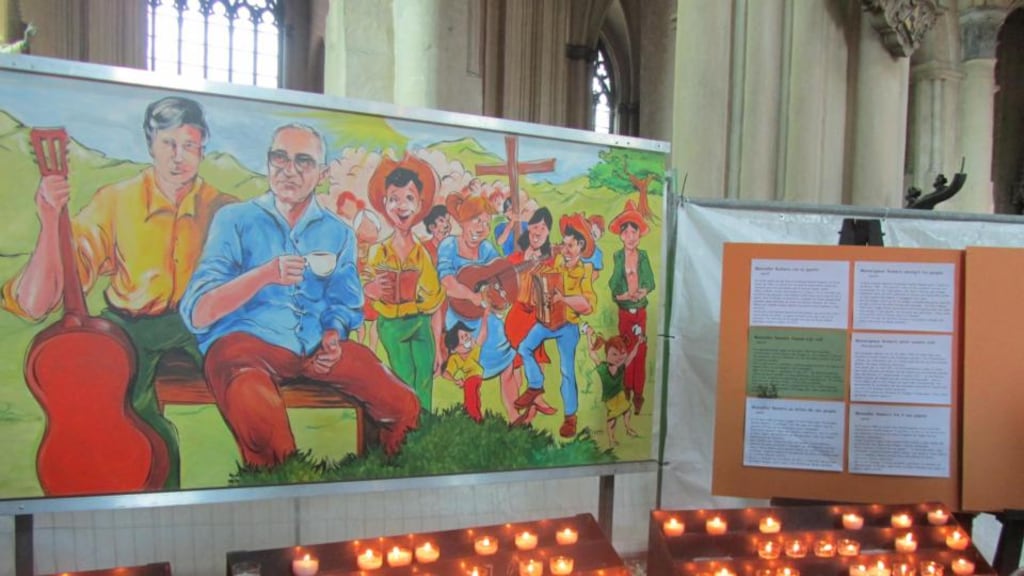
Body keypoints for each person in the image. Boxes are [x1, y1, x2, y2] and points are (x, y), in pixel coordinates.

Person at [0, 96, 234, 489]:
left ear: (203, 147)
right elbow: (37, 301)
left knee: (239, 373)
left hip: (200, 320)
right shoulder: (115, 200)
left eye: (190, 146)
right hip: (131, 323)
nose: (179, 157)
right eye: (168, 145)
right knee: (130, 413)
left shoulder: (224, 207)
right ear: (150, 145)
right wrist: (48, 218)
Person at [179, 124, 420, 466]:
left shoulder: (337, 232)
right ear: (268, 163)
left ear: (321, 174)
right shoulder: (235, 220)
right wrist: (264, 275)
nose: (289, 170)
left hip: (314, 348)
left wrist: (334, 335)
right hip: (243, 349)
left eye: (303, 161)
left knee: (403, 406)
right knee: (260, 421)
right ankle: (285, 499)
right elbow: (198, 313)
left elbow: (346, 301)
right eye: (280, 158)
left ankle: (379, 485)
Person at [363, 155, 445, 411]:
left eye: (409, 198)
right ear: (384, 204)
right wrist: (371, 289)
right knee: (404, 379)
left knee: (424, 380)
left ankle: (425, 437)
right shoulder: (378, 251)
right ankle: (406, 434)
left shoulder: (422, 255)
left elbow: (434, 304)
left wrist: (439, 347)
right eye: (394, 199)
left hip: (419, 323)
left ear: (419, 205)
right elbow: (363, 284)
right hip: (391, 325)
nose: (402, 206)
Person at [437, 193, 519, 420]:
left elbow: (498, 274)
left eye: (485, 222)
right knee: (469, 371)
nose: (481, 227)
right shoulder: (449, 245)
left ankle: (514, 416)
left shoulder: (487, 249)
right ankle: (473, 417)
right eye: (476, 220)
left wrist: (497, 297)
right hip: (459, 319)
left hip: (486, 315)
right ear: (462, 222)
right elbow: (448, 283)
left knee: (509, 361)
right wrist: (472, 297)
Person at [515, 213, 597, 438]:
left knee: (566, 371)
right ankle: (535, 384)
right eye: (565, 244)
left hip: (568, 326)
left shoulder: (585, 271)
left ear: (580, 246)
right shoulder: (559, 261)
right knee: (524, 347)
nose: (566, 249)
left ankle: (570, 416)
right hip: (548, 320)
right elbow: (546, 277)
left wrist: (564, 299)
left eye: (570, 245)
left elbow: (588, 305)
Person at [608, 199, 655, 415]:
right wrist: (623, 294)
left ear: (639, 235)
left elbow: (650, 281)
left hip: (641, 311)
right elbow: (614, 283)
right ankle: (626, 389)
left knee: (641, 350)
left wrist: (642, 291)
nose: (630, 237)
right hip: (625, 311)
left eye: (634, 232)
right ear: (620, 235)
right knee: (626, 350)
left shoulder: (643, 256)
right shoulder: (618, 256)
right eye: (626, 233)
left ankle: (639, 393)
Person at [583, 323, 642, 447]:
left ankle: (628, 428)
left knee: (626, 410)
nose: (618, 358)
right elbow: (592, 354)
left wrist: (638, 342)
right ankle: (611, 439)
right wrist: (588, 337)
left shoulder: (621, 367)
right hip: (610, 398)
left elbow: (631, 356)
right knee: (612, 418)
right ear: (607, 354)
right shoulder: (603, 368)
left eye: (621, 354)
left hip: (619, 394)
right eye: (614, 354)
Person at [440, 310, 490, 422]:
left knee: (473, 398)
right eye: (463, 338)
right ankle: (473, 417)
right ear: (454, 348)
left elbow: (482, 336)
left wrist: (485, 318)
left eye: (467, 335)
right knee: (471, 399)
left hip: (476, 377)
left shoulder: (473, 351)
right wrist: (455, 380)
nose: (467, 338)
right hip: (469, 380)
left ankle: (475, 418)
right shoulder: (455, 358)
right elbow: (446, 373)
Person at [583, 215, 605, 282]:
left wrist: (586, 282)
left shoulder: (597, 253)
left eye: (594, 235)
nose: (590, 237)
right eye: (589, 233)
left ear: (600, 235)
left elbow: (596, 273)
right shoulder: (578, 245)